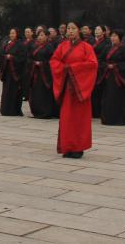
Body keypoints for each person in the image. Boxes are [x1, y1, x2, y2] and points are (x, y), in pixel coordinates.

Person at [51, 21, 97, 158]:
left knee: (79, 119)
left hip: (80, 89)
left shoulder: (87, 47)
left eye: (73, 28)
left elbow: (92, 65)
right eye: (68, 28)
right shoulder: (62, 46)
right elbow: (54, 61)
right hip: (67, 88)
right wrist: (64, 69)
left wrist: (72, 68)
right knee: (66, 118)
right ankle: (68, 147)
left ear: (79, 30)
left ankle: (78, 148)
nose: (70, 31)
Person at [99, 30, 125, 126]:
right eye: (112, 36)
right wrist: (106, 65)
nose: (113, 38)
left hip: (119, 77)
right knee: (107, 97)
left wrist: (116, 66)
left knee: (117, 97)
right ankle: (107, 119)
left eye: (115, 36)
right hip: (108, 75)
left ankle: (118, 120)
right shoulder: (107, 47)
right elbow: (100, 59)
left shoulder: (124, 49)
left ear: (120, 37)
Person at [26, 30, 57, 119]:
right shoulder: (34, 46)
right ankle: (36, 111)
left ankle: (45, 112)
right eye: (39, 35)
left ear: (47, 36)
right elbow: (29, 58)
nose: (40, 37)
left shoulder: (49, 47)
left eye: (42, 35)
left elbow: (53, 60)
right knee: (35, 92)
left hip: (45, 75)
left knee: (43, 93)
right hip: (35, 73)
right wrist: (33, 63)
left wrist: (42, 64)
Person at [0, 28, 25, 116]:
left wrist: (12, 58)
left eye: (13, 33)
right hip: (7, 72)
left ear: (17, 34)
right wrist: (5, 57)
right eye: (10, 33)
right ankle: (5, 110)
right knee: (6, 92)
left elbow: (22, 58)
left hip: (15, 73)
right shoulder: (6, 44)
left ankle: (14, 110)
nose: (11, 35)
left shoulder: (20, 45)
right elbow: (0, 56)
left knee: (14, 92)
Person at [90, 25, 109, 118]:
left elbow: (104, 56)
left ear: (104, 32)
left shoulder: (106, 43)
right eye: (95, 29)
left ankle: (100, 111)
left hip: (100, 67)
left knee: (99, 89)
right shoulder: (93, 42)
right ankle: (94, 111)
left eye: (98, 29)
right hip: (92, 67)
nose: (96, 31)